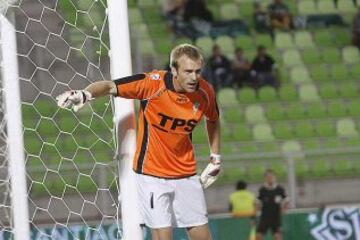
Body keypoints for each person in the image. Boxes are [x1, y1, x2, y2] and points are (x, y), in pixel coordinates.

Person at [56, 44, 221, 240]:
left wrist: (215, 157)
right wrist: (85, 94)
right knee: (162, 236)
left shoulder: (205, 92)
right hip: (152, 176)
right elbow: (110, 86)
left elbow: (213, 119)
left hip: (186, 174)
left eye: (197, 71)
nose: (194, 77)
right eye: (188, 71)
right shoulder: (152, 85)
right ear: (174, 70)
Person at [256, 169, 289, 240]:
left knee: (277, 236)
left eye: (272, 177)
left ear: (275, 177)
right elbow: (257, 201)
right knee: (258, 235)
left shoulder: (280, 189)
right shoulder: (262, 190)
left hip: (276, 216)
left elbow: (287, 199)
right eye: (268, 177)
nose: (270, 179)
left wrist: (284, 208)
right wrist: (258, 208)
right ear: (265, 178)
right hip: (265, 216)